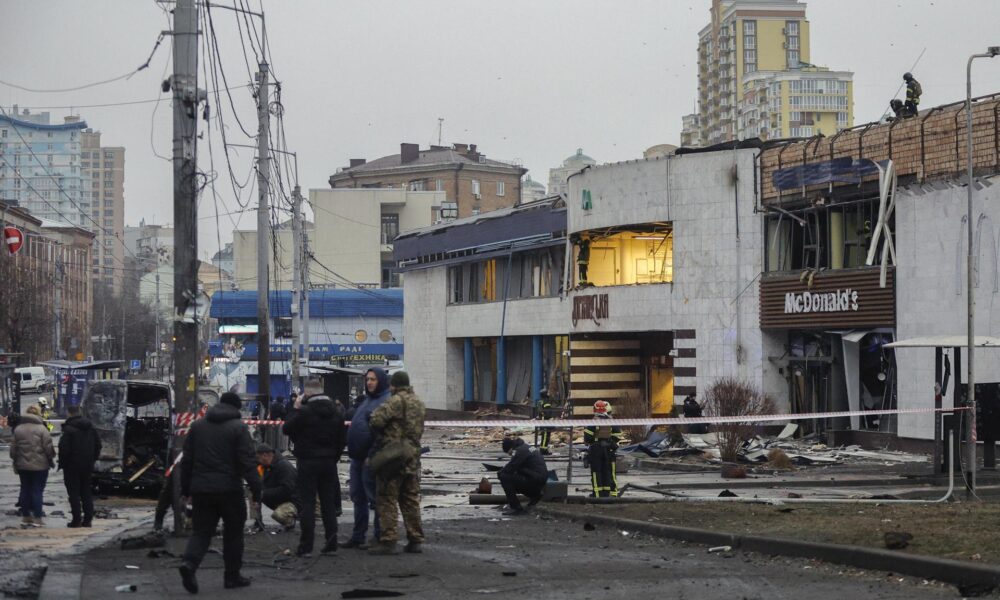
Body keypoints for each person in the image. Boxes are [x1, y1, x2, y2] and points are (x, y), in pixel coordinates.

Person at [178, 392, 260, 593]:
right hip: (229, 490)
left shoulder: (197, 426)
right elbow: (247, 462)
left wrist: (186, 489)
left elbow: (186, 461)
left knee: (202, 532)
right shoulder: (239, 428)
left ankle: (189, 564)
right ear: (236, 408)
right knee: (233, 534)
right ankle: (232, 576)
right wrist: (257, 490)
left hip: (201, 490)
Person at [282, 386, 346, 556]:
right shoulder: (337, 412)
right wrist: (334, 457)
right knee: (328, 504)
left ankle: (306, 546)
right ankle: (331, 543)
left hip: (307, 462)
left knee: (308, 504)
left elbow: (286, 428)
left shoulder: (303, 412)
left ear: (308, 394)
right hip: (329, 463)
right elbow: (341, 440)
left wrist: (295, 408)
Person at [368, 370, 426, 555]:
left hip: (394, 456)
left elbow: (376, 420)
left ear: (393, 385)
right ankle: (415, 539)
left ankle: (389, 539)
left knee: (387, 498)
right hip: (413, 456)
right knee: (410, 499)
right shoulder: (419, 403)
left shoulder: (394, 401)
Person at [342, 368, 390, 550]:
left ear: (381, 381)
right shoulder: (368, 400)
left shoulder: (385, 401)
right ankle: (358, 535)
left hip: (371, 459)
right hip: (357, 458)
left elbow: (384, 433)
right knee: (358, 497)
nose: (369, 382)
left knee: (376, 498)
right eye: (368, 379)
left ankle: (379, 536)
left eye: (373, 380)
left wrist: (372, 455)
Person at [11, 404, 54, 526]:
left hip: (22, 466)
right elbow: (48, 447)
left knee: (25, 489)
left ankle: (25, 517)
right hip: (40, 466)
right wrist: (50, 459)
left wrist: (15, 460)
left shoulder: (18, 429)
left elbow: (13, 449)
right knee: (37, 490)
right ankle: (38, 518)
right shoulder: (42, 429)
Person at [58, 405, 101, 528]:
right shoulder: (91, 428)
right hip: (87, 465)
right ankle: (88, 519)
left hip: (72, 466)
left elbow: (64, 449)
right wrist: (93, 459)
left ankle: (76, 519)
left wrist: (63, 463)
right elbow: (98, 445)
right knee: (86, 491)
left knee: (74, 493)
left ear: (69, 413)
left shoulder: (69, 429)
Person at [497, 437, 548, 516]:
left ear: (511, 448)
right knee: (514, 473)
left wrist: (500, 473)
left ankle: (516, 507)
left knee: (504, 477)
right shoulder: (526, 447)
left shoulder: (520, 451)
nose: (509, 454)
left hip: (535, 480)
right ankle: (535, 495)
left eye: (508, 452)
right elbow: (515, 466)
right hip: (539, 479)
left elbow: (510, 467)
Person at [583, 400, 622, 498]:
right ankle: (610, 493)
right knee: (607, 471)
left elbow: (587, 437)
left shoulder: (593, 422)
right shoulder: (610, 421)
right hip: (608, 450)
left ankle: (597, 494)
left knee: (596, 472)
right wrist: (610, 442)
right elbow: (618, 435)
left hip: (596, 450)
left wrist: (595, 441)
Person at [255, 443, 298, 530]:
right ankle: (258, 521)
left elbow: (287, 489)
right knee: (254, 492)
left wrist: (264, 493)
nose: (258, 461)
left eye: (258, 458)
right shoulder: (268, 466)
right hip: (282, 497)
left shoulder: (283, 466)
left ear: (265, 455)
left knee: (279, 515)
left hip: (295, 500)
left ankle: (290, 518)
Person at [536, 390, 553, 455]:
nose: (548, 394)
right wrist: (550, 418)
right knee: (546, 436)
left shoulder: (540, 401)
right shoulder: (546, 402)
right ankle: (543, 450)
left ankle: (544, 449)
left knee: (544, 436)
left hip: (542, 421)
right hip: (546, 422)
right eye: (547, 393)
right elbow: (548, 412)